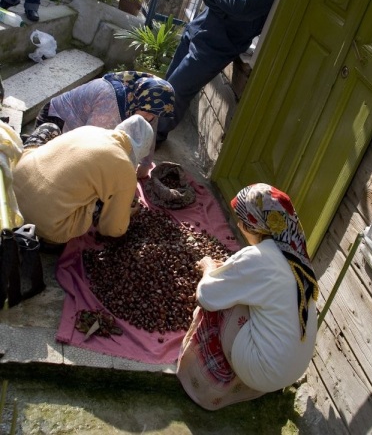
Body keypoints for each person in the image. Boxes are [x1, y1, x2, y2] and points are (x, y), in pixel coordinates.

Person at [176, 182, 319, 411]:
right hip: (288, 371)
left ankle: (205, 383)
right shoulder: (297, 257)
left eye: (242, 221)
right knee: (239, 293)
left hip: (260, 370)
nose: (239, 226)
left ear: (255, 225)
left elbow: (206, 295)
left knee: (222, 305)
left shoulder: (258, 258)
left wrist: (208, 267)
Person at [157, 0, 291, 144]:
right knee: (166, 86)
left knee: (178, 91)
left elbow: (243, 7)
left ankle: (152, 140)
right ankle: (143, 131)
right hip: (197, 29)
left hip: (217, 46)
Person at [12, 115, 153, 245]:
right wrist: (126, 213)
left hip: (11, 189)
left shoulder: (90, 130)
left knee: (51, 128)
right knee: (103, 202)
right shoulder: (125, 170)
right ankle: (48, 240)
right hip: (44, 224)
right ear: (140, 150)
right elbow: (112, 230)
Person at [34, 71, 175, 178]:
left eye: (154, 115)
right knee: (51, 168)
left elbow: (149, 134)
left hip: (84, 125)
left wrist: (145, 166)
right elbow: (89, 146)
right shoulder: (111, 103)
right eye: (147, 113)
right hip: (56, 119)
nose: (149, 117)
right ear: (139, 99)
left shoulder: (146, 103)